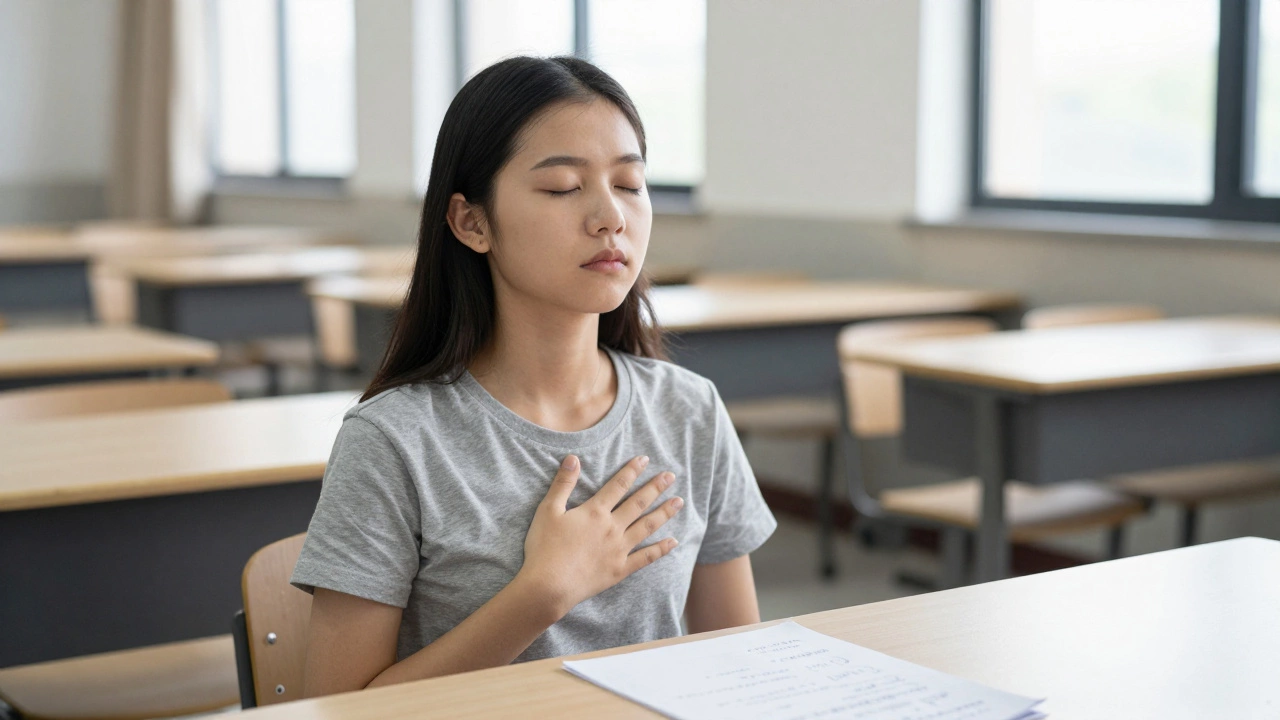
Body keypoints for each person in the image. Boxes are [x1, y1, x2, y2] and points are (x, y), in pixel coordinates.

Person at [291, 55, 777, 697]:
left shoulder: (690, 409)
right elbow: (337, 711)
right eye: (562, 188)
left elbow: (735, 665)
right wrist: (543, 592)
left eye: (630, 184)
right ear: (472, 222)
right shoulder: (393, 441)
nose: (611, 217)